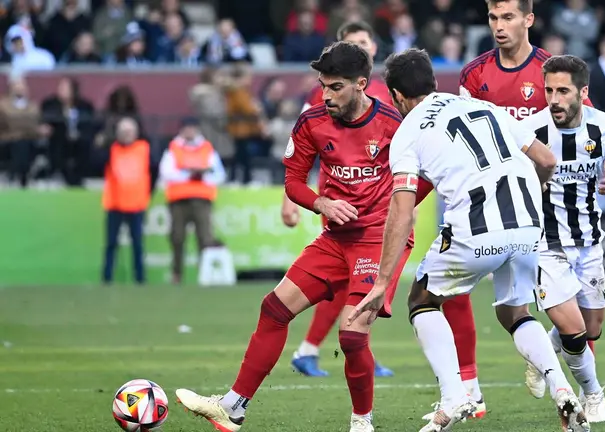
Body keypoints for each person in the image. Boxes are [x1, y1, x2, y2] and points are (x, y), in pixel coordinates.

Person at [175, 42, 432, 432]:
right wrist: (322, 204)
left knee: (351, 334)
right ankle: (232, 407)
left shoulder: (395, 125)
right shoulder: (311, 121)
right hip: (335, 239)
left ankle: (362, 422)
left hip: (377, 241)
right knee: (274, 309)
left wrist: (395, 207)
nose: (326, 95)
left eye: (336, 87)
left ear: (361, 84)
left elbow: (428, 175)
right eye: (323, 85)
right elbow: (294, 182)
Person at [348, 48, 590, 432]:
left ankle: (455, 397)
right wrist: (527, 202)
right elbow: (546, 160)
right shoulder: (481, 105)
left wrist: (381, 282)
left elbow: (402, 207)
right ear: (432, 81)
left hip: (476, 226)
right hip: (528, 222)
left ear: (395, 95)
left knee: (423, 300)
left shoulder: (407, 132)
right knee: (515, 312)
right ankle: (561, 388)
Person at [425, 0, 605, 419]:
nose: (499, 26)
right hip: (495, 202)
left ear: (528, 20)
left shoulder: (553, 69)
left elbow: (588, 124)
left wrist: (600, 166)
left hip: (553, 204)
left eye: (507, 17)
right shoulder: (475, 74)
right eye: (493, 18)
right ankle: (471, 389)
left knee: (580, 319)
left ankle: (548, 360)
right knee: (453, 287)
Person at [518, 55, 605, 423]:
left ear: (583, 93)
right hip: (545, 245)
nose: (554, 99)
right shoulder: (530, 131)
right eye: (549, 90)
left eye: (563, 91)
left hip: (588, 242)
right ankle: (594, 393)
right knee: (575, 330)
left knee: (593, 328)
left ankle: (542, 354)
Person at [283, 20, 396, 378]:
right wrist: (294, 201)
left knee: (355, 284)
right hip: (339, 203)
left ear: (374, 48)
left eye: (365, 41)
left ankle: (342, 347)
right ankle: (316, 348)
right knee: (346, 281)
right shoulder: (327, 96)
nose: (362, 46)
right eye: (354, 42)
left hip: (375, 206)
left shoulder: (384, 94)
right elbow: (302, 148)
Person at [159, 117, 226, 284]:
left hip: (202, 200)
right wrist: (190, 174)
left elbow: (219, 175)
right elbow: (167, 173)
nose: (189, 132)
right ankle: (176, 274)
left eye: (192, 128)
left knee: (205, 238)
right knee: (177, 237)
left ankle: (205, 275)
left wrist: (202, 174)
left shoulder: (207, 149)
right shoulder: (173, 148)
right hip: (178, 200)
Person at [101, 117, 151, 285]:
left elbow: (154, 170)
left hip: (136, 204)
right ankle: (107, 278)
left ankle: (140, 279)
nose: (126, 135)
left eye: (129, 131)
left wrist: (146, 192)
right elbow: (96, 163)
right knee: (111, 244)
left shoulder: (144, 149)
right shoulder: (111, 150)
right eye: (123, 132)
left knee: (137, 244)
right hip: (114, 203)